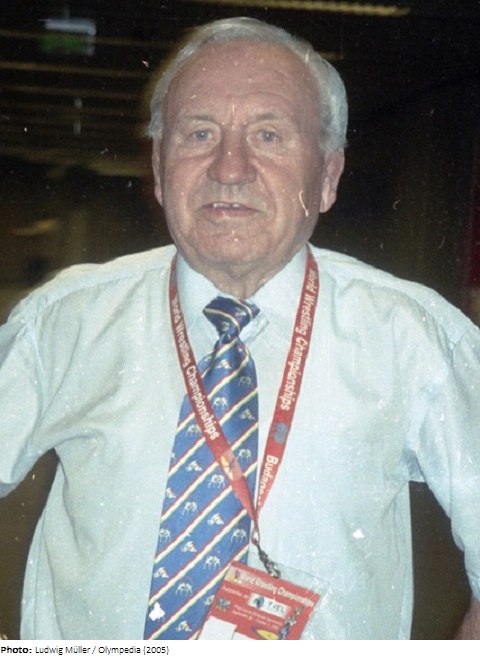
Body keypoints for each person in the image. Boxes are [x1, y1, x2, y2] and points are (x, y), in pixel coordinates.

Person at [0, 16, 479, 640]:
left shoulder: (415, 337)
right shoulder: (63, 322)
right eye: (199, 133)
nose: (230, 168)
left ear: (328, 177)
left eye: (268, 135)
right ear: (158, 166)